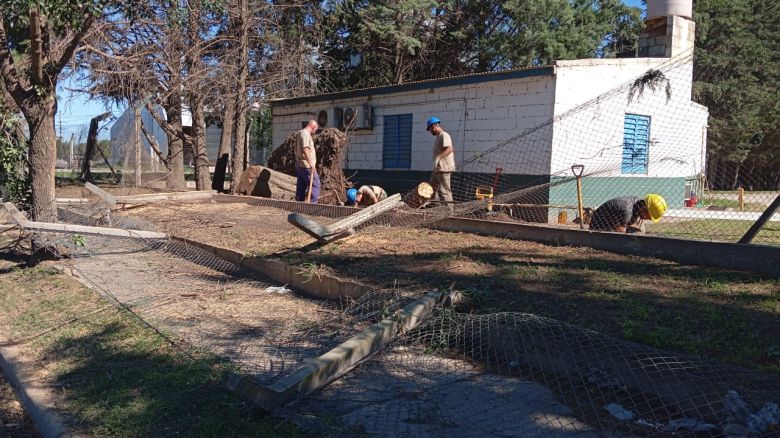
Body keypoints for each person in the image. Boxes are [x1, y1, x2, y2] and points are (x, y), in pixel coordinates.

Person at [589, 194, 667, 233]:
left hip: (613, 222)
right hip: (598, 229)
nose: (649, 219)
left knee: (640, 230)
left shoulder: (638, 202)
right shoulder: (627, 210)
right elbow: (620, 232)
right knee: (636, 235)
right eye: (649, 217)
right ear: (644, 209)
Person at [427, 117, 455, 210]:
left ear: (434, 126)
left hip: (444, 169)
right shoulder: (438, 137)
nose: (430, 131)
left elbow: (450, 149)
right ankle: (436, 210)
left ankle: (450, 213)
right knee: (432, 190)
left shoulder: (444, 135)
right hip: (437, 169)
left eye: (430, 129)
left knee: (444, 192)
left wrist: (439, 157)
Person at [295, 120, 320, 203]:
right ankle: (312, 205)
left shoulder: (300, 133)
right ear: (313, 127)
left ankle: (299, 205)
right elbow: (305, 150)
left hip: (300, 165)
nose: (314, 132)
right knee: (316, 185)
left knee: (301, 186)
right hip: (307, 166)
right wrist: (311, 164)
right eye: (315, 130)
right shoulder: (305, 134)